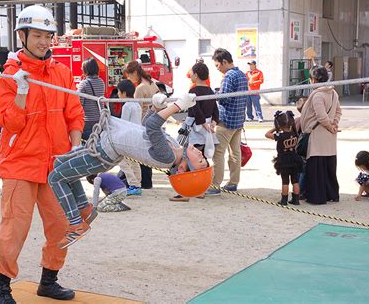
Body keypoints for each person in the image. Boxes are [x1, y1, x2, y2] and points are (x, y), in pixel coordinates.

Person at [0, 5, 84, 302]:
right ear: (22, 35)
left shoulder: (61, 73)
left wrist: (77, 146)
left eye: (48, 36)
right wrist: (19, 93)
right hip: (20, 164)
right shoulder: (8, 77)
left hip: (56, 165)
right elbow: (10, 122)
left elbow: (74, 112)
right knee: (15, 228)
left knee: (64, 225)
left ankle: (49, 279)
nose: (44, 41)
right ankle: (2, 288)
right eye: (38, 35)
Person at [48, 92, 208, 248]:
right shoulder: (173, 146)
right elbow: (147, 128)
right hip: (105, 148)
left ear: (182, 169)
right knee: (60, 166)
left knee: (55, 178)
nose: (201, 154)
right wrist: (156, 108)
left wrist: (178, 106)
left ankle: (76, 224)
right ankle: (84, 208)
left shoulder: (167, 156)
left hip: (103, 153)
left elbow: (153, 126)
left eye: (200, 161)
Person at [170, 62, 219, 202]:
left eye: (191, 72)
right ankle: (201, 188)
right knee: (201, 158)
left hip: (196, 128)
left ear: (196, 75)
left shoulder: (193, 91)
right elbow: (215, 109)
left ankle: (187, 190)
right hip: (207, 128)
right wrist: (213, 122)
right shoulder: (210, 91)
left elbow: (194, 110)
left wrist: (203, 123)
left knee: (188, 157)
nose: (190, 75)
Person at [206, 48, 248, 196]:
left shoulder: (229, 76)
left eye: (218, 65)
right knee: (235, 153)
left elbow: (226, 98)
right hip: (238, 120)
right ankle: (233, 182)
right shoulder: (242, 74)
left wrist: (214, 94)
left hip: (226, 121)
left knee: (218, 153)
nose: (218, 69)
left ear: (224, 62)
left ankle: (215, 185)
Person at [300, 65, 342, 205]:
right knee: (329, 167)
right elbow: (338, 112)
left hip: (318, 135)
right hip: (329, 136)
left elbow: (321, 117)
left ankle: (317, 196)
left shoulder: (318, 95)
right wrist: (334, 125)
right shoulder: (333, 93)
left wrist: (330, 126)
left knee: (316, 167)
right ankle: (331, 194)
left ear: (313, 79)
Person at [124, 60, 159, 189]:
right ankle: (147, 182)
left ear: (134, 73)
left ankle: (142, 182)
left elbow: (137, 108)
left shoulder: (139, 88)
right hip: (153, 121)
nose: (128, 78)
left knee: (139, 155)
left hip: (142, 123)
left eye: (129, 74)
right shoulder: (151, 83)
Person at [265, 111, 303, 205]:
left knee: (285, 181)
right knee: (295, 180)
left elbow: (267, 134)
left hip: (284, 160)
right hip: (294, 158)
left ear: (279, 124)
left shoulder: (280, 135)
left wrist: (276, 128)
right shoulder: (294, 134)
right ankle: (296, 199)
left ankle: (284, 200)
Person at [117, 79, 143, 196]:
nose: (117, 94)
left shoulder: (127, 106)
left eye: (118, 92)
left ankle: (133, 184)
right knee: (134, 162)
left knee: (123, 162)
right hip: (137, 137)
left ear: (123, 93)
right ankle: (138, 184)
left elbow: (124, 123)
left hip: (128, 138)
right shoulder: (136, 104)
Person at [78, 58, 105, 140]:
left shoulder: (84, 83)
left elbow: (79, 103)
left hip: (88, 120)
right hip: (100, 118)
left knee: (88, 142)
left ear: (86, 69)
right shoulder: (101, 82)